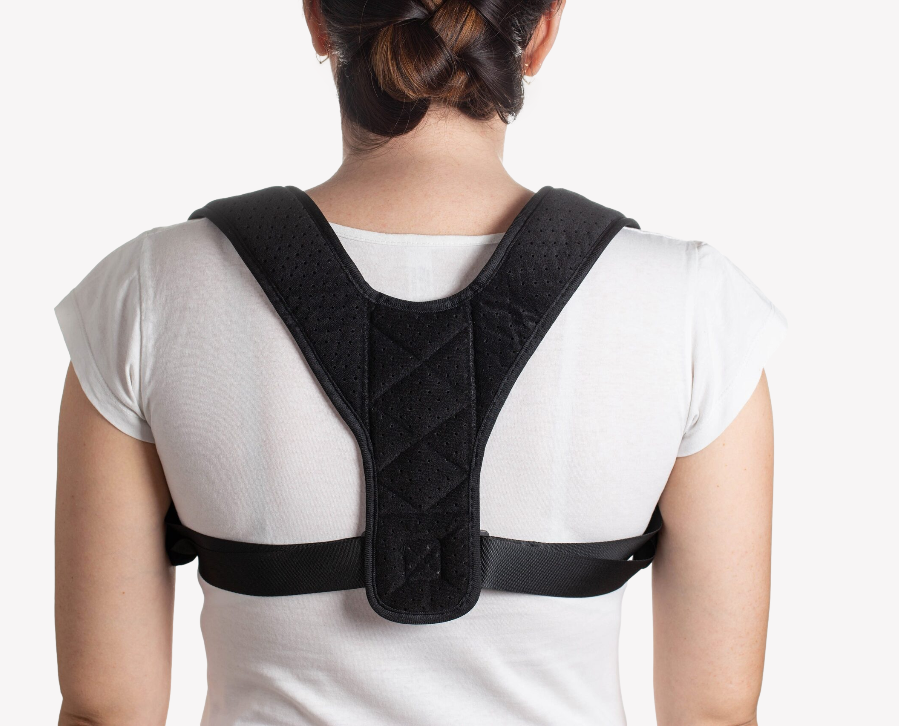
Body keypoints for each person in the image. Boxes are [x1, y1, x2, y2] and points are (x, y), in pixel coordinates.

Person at [53, 1, 787, 724]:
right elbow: (715, 714)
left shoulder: (147, 293)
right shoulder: (693, 307)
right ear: (541, 32)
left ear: (318, 20)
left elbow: (105, 711)